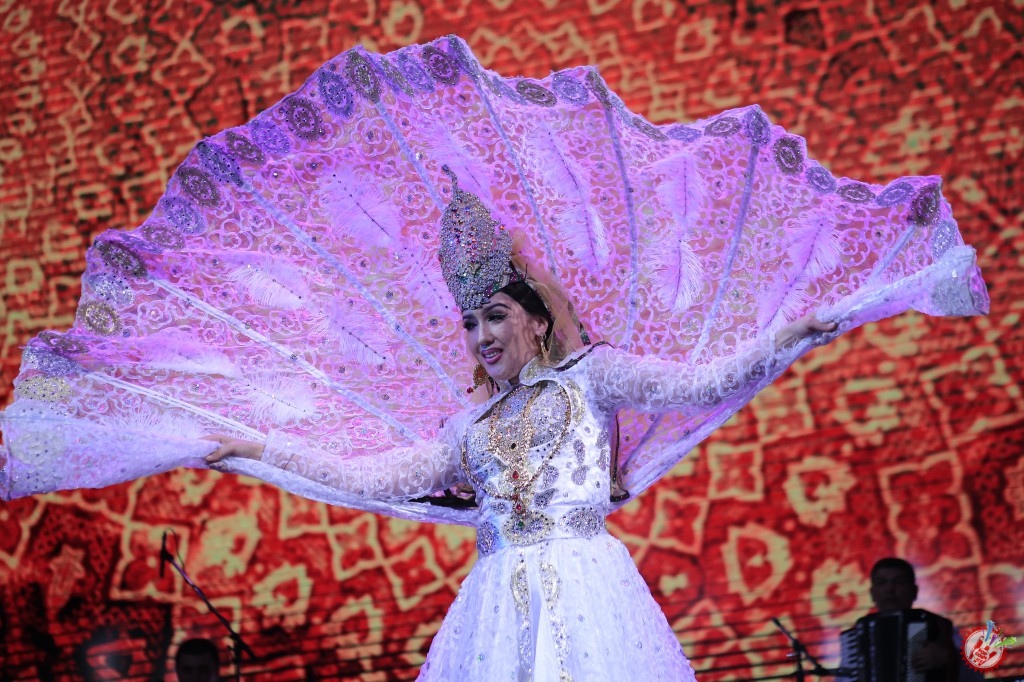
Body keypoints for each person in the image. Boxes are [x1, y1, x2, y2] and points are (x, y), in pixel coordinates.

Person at [204, 170, 835, 679]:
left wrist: (787, 338)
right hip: (495, 613)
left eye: (496, 316)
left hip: (589, 594)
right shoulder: (468, 428)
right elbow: (368, 478)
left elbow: (699, 387)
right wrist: (258, 451)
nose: (482, 336)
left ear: (536, 321)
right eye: (470, 323)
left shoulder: (594, 375)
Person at [837, 558, 981, 682]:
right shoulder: (857, 638)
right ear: (872, 593)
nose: (889, 589)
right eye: (881, 583)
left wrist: (947, 658)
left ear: (914, 591)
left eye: (899, 582)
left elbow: (976, 676)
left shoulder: (939, 627)